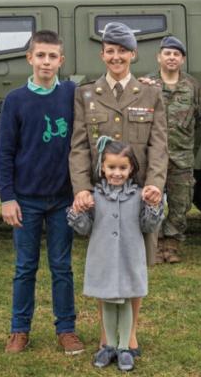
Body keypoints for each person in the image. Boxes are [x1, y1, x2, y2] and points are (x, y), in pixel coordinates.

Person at [70, 21, 167, 354]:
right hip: (103, 195)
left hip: (137, 195)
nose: (116, 57)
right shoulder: (86, 94)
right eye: (110, 51)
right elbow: (80, 146)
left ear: (133, 54)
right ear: (102, 54)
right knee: (105, 265)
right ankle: (106, 334)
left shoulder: (151, 93)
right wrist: (82, 188)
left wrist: (154, 186)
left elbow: (158, 146)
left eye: (122, 51)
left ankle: (131, 333)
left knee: (134, 264)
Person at [0, 30, 84, 355]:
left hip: (62, 198)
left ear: (61, 60)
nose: (46, 62)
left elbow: (104, 93)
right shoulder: (15, 100)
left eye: (52, 56)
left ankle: (66, 329)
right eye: (40, 55)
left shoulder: (72, 94)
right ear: (29, 58)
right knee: (25, 267)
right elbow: (4, 152)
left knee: (62, 266)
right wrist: (8, 197)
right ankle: (19, 330)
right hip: (26, 200)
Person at [68, 139, 164, 372]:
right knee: (108, 302)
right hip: (103, 259)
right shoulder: (94, 197)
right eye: (112, 168)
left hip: (129, 258)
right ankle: (108, 345)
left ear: (132, 168)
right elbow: (84, 228)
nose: (117, 173)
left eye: (123, 168)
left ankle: (124, 348)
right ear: (102, 167)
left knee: (127, 302)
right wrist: (77, 212)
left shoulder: (139, 195)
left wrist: (153, 206)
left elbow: (149, 225)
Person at [147, 35, 201, 263]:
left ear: (182, 59)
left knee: (181, 203)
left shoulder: (192, 86)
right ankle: (155, 242)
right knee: (152, 201)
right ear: (159, 57)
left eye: (176, 54)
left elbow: (199, 116)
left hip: (182, 156)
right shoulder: (148, 85)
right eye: (167, 53)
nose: (171, 58)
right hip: (154, 156)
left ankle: (171, 246)